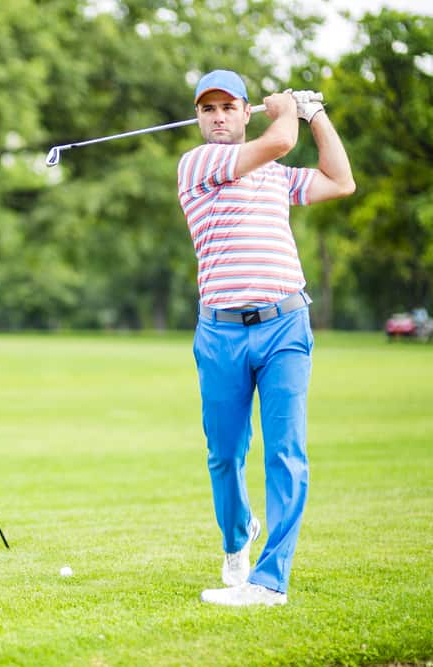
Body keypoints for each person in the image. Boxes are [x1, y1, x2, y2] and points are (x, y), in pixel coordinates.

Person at [177, 70, 355, 606]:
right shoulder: (197, 165)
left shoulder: (276, 175)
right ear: (198, 117)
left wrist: (315, 114)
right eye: (208, 109)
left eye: (229, 107)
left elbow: (341, 181)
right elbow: (279, 138)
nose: (218, 117)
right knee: (225, 453)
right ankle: (238, 538)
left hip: (285, 326)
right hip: (221, 333)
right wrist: (287, 110)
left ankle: (270, 580)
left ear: (243, 111)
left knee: (286, 452)